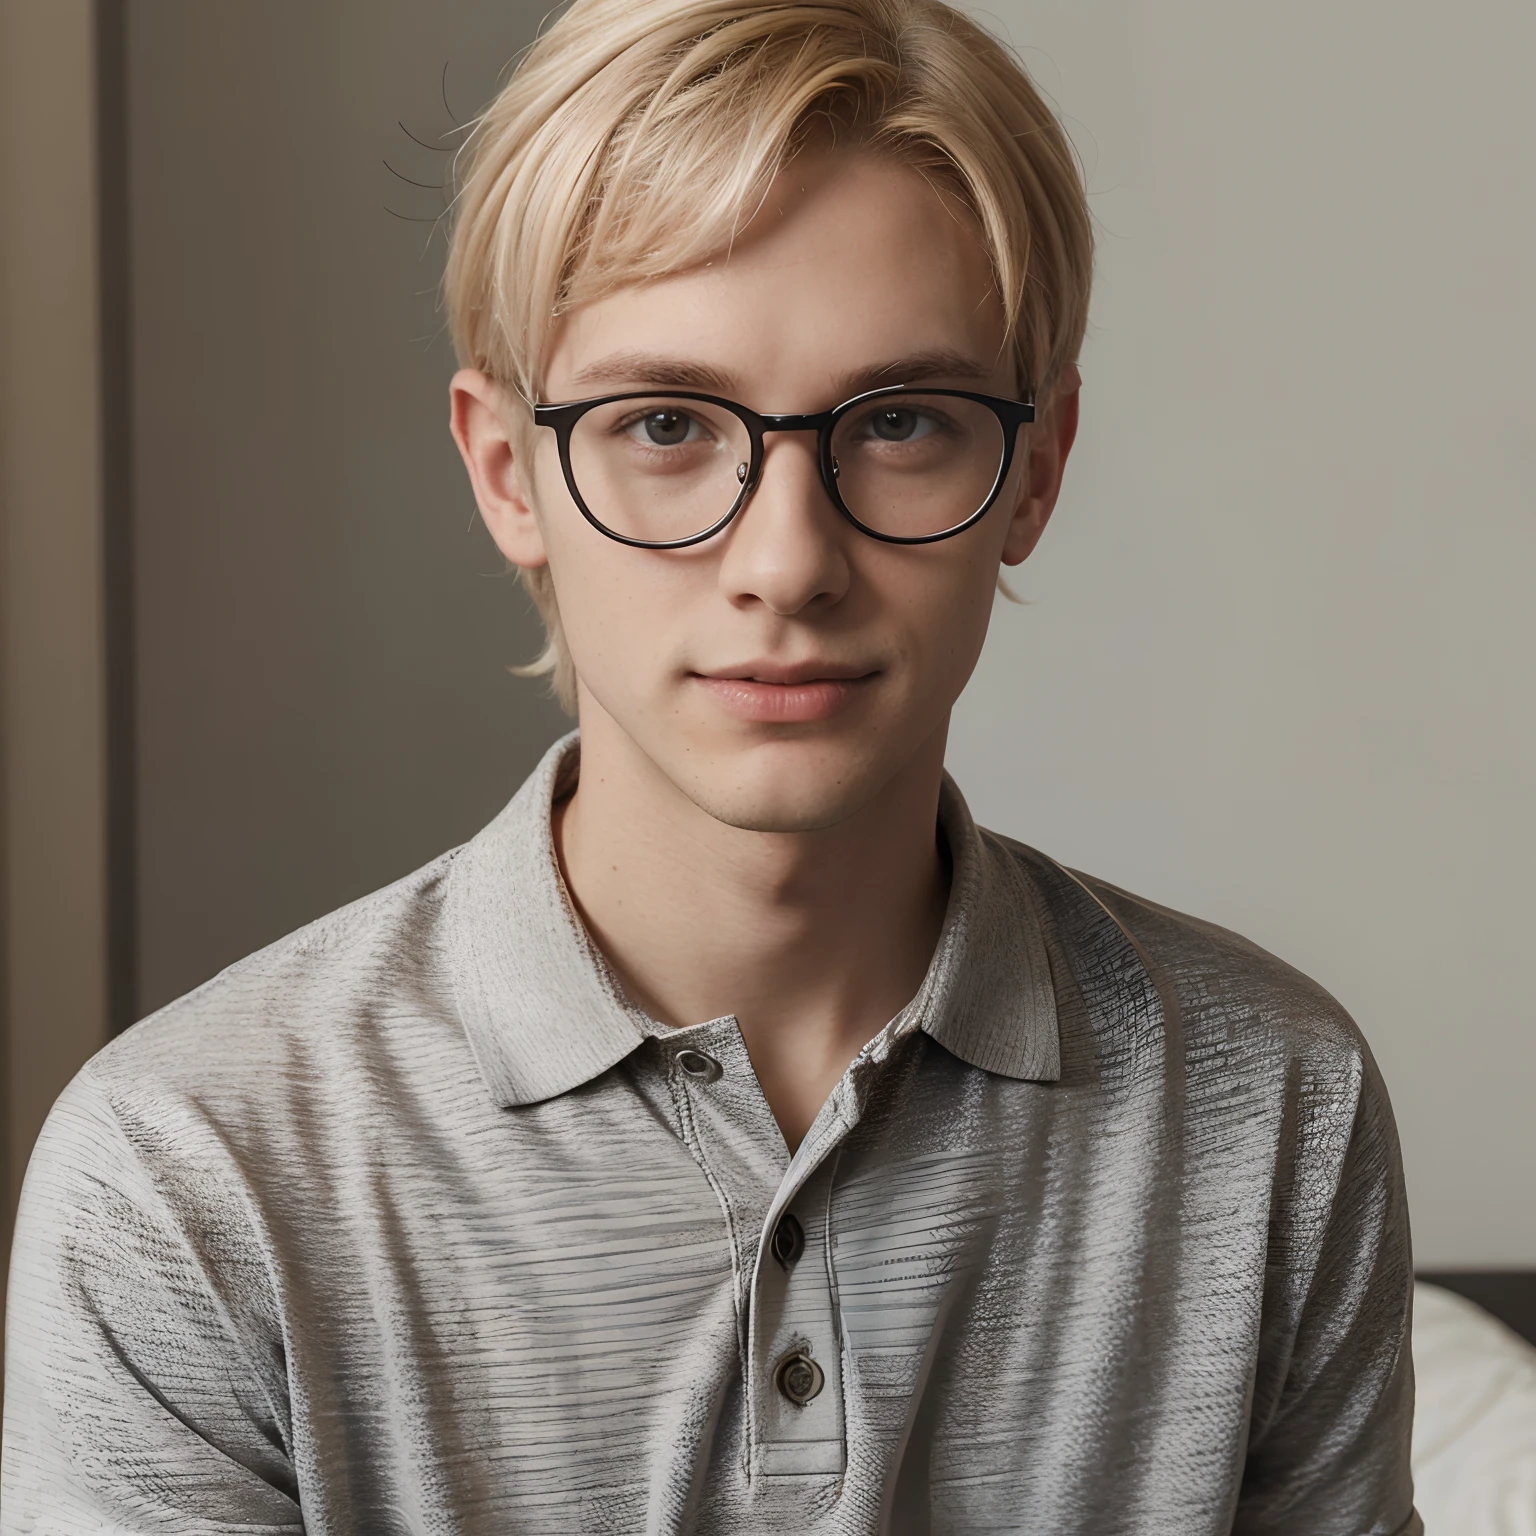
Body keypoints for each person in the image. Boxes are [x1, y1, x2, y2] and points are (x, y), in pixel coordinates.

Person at [2, 0, 1419, 1529]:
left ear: (1036, 470)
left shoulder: (1278, 1111)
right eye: (667, 422)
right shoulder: (188, 1177)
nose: (788, 561)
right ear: (509, 476)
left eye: (902, 423)